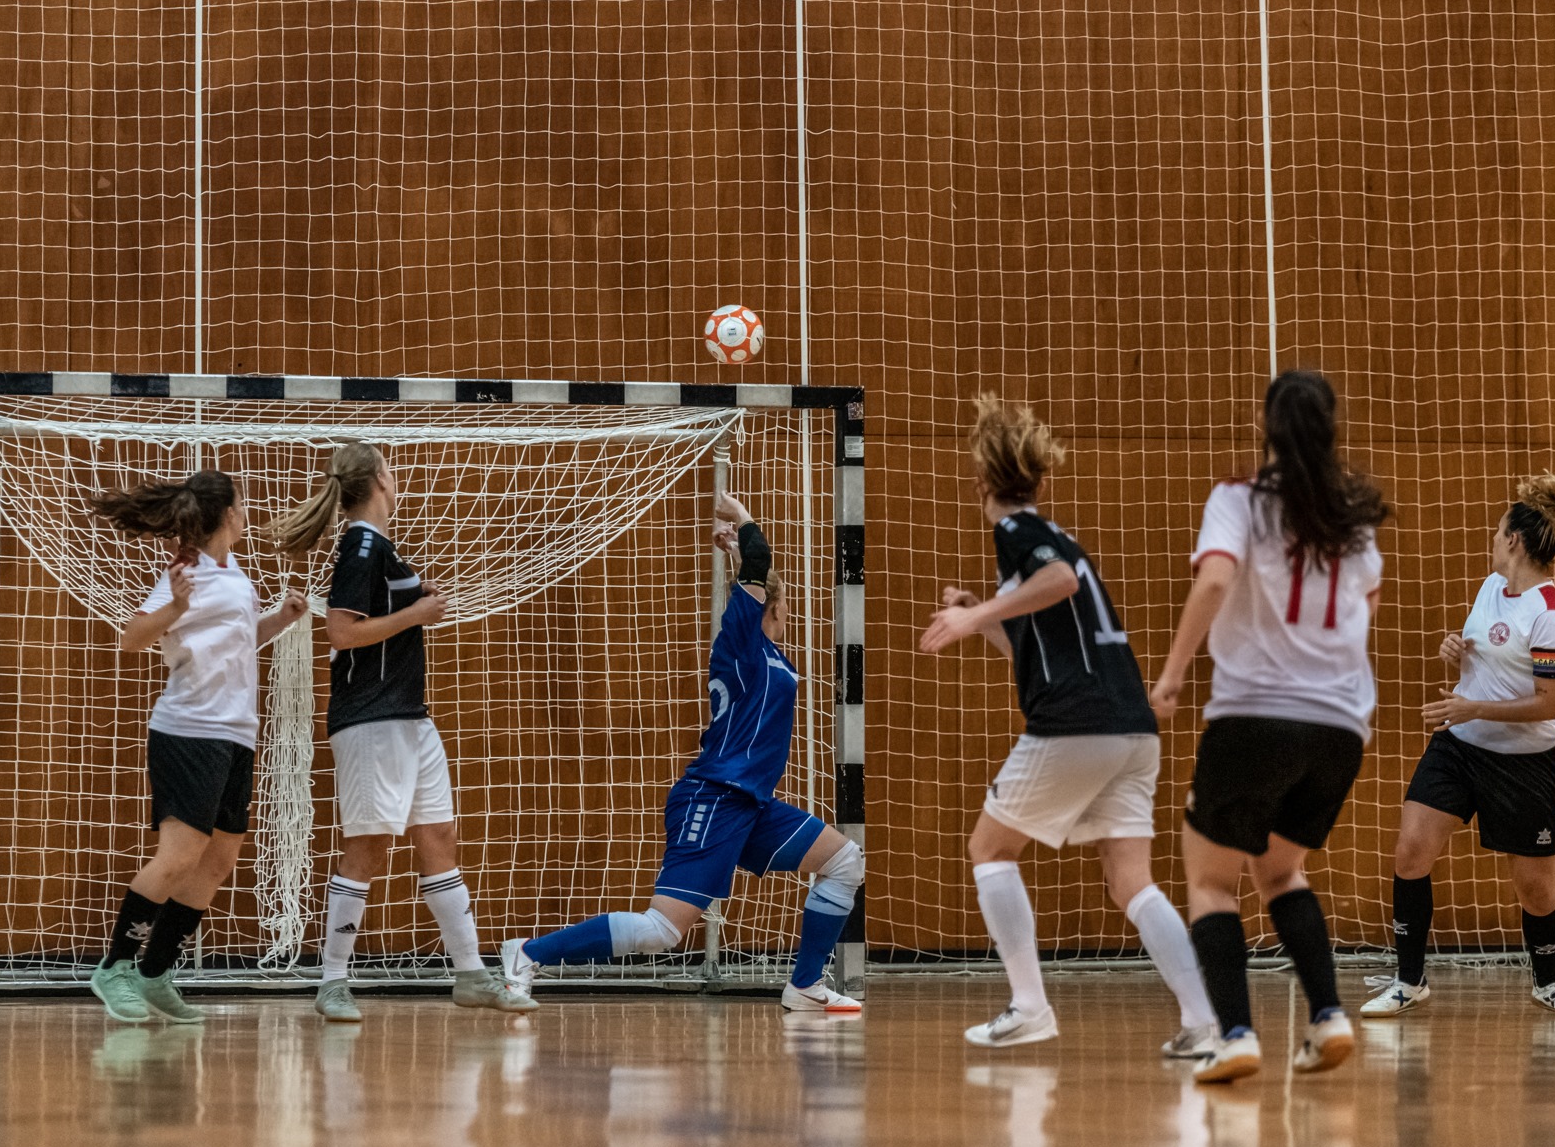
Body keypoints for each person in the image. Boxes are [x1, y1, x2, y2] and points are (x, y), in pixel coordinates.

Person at [920, 393, 1219, 1053]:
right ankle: (1205, 1021)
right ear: (1040, 477)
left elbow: (1058, 584)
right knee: (1130, 880)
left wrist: (972, 616)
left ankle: (1029, 1006)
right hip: (1132, 728)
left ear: (981, 483)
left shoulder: (1019, 536)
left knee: (989, 849)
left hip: (1076, 724)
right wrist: (989, 618)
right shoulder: (1058, 536)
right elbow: (1039, 637)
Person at [500, 492, 864, 1013]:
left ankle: (804, 986)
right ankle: (526, 954)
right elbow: (760, 567)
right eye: (779, 604)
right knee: (663, 931)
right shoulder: (739, 639)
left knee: (844, 861)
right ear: (771, 605)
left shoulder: (767, 652)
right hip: (715, 797)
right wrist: (742, 519)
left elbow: (754, 567)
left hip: (751, 804)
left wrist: (736, 554)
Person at [1152, 369, 1389, 1083]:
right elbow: (1366, 604)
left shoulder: (1239, 499)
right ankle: (1327, 1015)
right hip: (1340, 724)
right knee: (1281, 870)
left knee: (1211, 880)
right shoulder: (1353, 517)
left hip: (1256, 711)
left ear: (1268, 425)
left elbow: (1217, 579)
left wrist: (1170, 674)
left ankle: (1236, 1035)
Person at [269, 442, 535, 1020]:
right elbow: (341, 634)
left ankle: (470, 974)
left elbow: (382, 620)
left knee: (439, 839)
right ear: (382, 481)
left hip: (409, 718)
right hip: (371, 719)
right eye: (392, 470)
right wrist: (417, 614)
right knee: (367, 848)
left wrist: (419, 600)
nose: (398, 479)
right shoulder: (362, 545)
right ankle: (333, 980)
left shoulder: (381, 548)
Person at [1363, 472, 1555, 1018]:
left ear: (1514, 540)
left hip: (1525, 764)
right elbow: (1488, 656)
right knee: (1411, 851)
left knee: (1534, 888)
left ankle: (1547, 982)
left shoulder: (1551, 618)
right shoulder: (1493, 588)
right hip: (1459, 747)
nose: (1492, 540)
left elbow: (1547, 704)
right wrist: (1458, 654)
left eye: (1497, 533)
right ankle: (1409, 979)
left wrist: (1473, 706)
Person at [87, 470, 307, 1023]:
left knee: (218, 860)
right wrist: (174, 609)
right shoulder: (186, 572)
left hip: (235, 733)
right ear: (226, 514)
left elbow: (237, 642)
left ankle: (156, 972)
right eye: (241, 502)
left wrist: (279, 618)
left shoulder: (234, 574)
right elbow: (133, 638)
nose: (246, 508)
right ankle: (115, 966)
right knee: (180, 857)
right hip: (188, 731)